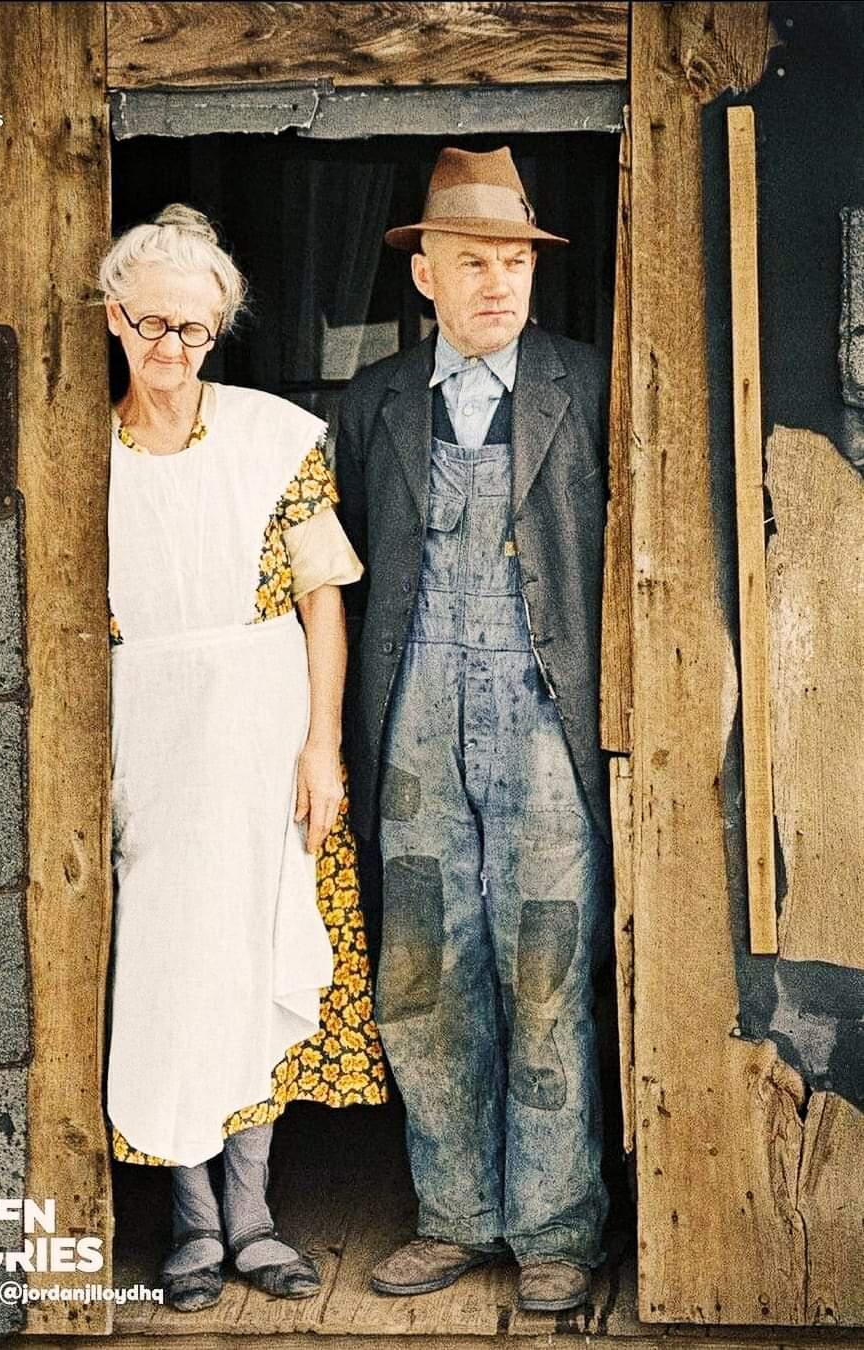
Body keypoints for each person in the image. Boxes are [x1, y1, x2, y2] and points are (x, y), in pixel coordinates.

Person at [334, 146, 613, 1313]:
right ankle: (452, 1213)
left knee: (544, 966)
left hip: (544, 720)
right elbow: (337, 580)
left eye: (514, 263)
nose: (498, 284)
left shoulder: (588, 387)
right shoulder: (374, 403)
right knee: (421, 974)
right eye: (472, 263)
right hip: (411, 722)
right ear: (424, 279)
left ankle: (554, 1224)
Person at [102, 204, 386, 1313]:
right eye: (155, 327)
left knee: (260, 961)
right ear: (114, 318)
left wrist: (320, 747)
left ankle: (258, 1220)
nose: (173, 352)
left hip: (268, 747)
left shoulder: (277, 438)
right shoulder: (83, 455)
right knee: (172, 980)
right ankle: (192, 1224)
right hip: (151, 752)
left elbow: (324, 605)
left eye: (197, 332)